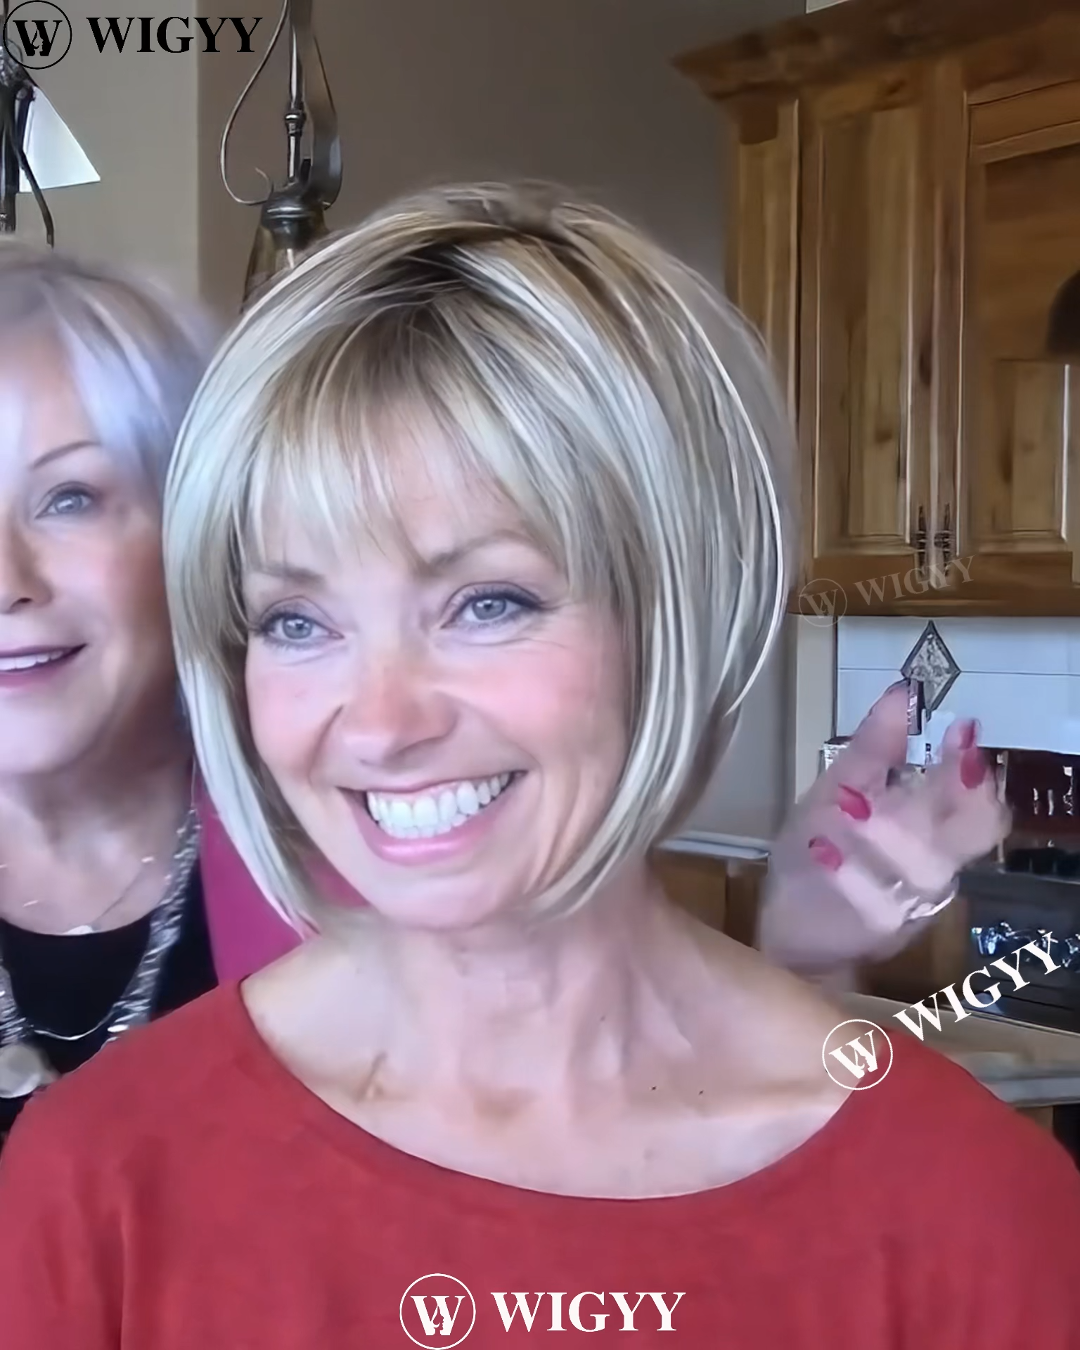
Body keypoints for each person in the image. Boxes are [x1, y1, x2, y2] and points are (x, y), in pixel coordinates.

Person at [0, 182, 1071, 1349]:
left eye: (487, 603)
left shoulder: (973, 1212)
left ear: (677, 608)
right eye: (297, 622)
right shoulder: (101, 1176)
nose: (379, 725)